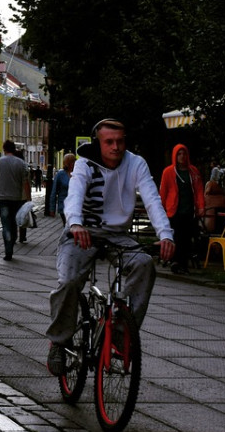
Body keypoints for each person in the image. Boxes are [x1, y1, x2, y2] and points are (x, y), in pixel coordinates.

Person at [46, 119, 175, 376]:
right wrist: (75, 223)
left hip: (117, 235)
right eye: (109, 142)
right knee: (69, 282)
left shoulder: (136, 163)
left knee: (144, 264)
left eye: (120, 141)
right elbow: (75, 194)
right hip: (82, 233)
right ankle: (59, 341)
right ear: (98, 143)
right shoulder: (84, 164)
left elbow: (152, 199)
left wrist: (165, 235)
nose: (116, 147)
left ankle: (120, 331)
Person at [159, 144, 205, 274]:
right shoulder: (168, 172)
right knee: (176, 236)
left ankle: (183, 263)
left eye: (184, 153)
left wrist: (201, 206)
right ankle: (175, 261)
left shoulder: (193, 172)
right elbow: (163, 191)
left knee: (187, 238)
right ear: (175, 156)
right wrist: (161, 208)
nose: (182, 156)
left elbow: (199, 190)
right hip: (174, 210)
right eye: (179, 154)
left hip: (189, 210)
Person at [0, 140, 31, 258]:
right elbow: (26, 182)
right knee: (14, 223)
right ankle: (13, 240)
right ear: (13, 149)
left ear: (4, 149)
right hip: (17, 199)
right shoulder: (21, 163)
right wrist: (28, 199)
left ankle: (8, 248)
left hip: (3, 198)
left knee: (6, 224)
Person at [49, 153, 75, 223]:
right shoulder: (60, 174)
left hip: (75, 205)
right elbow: (54, 192)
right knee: (68, 224)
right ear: (67, 163)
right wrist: (52, 208)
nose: (74, 163)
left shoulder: (77, 173)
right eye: (72, 161)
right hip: (64, 205)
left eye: (74, 161)